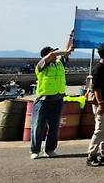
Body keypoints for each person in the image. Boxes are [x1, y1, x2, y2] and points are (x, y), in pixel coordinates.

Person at [30, 31, 74, 159]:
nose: (55, 54)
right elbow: (56, 53)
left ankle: (50, 149)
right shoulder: (41, 65)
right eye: (52, 53)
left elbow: (66, 50)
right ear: (46, 56)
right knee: (37, 126)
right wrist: (64, 52)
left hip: (58, 99)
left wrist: (71, 37)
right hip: (43, 100)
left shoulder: (59, 63)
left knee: (54, 126)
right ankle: (35, 150)